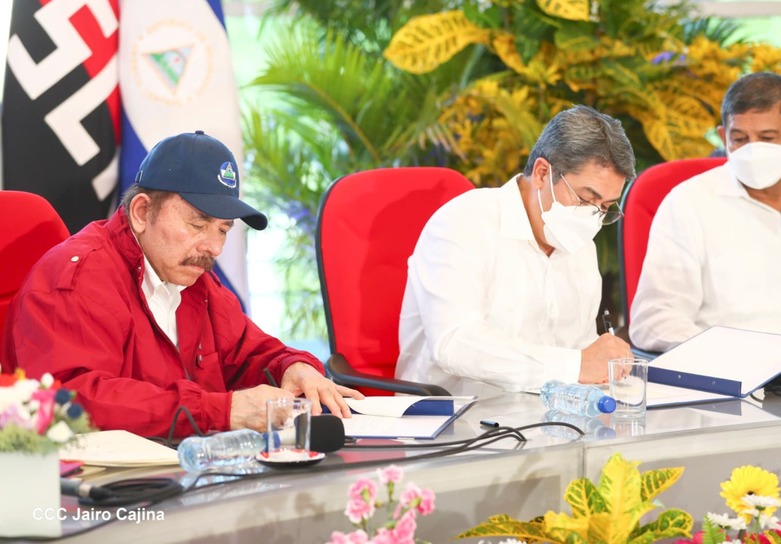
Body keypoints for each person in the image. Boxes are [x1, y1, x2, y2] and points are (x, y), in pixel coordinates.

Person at [2, 130, 362, 437]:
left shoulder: (192, 277)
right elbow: (72, 400)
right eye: (198, 224)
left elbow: (247, 353)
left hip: (185, 473)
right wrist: (219, 411)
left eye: (223, 230)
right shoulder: (78, 278)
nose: (214, 247)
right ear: (142, 212)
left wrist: (293, 367)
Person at [395, 105, 635, 397]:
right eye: (585, 199)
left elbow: (580, 351)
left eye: (605, 207)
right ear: (542, 174)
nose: (592, 217)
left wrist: (603, 365)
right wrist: (574, 365)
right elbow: (454, 343)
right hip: (451, 413)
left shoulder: (580, 243)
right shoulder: (464, 222)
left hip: (548, 414)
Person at [630, 72, 781, 352]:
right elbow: (654, 320)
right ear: (724, 137)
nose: (753, 150)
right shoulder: (689, 204)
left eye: (767, 138)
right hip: (729, 368)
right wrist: (731, 355)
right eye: (740, 139)